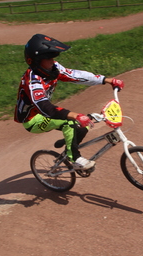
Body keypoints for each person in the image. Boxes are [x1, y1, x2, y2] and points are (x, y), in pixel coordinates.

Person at [14, 34, 124, 170]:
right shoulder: (32, 81)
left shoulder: (52, 69)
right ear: (36, 61)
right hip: (33, 119)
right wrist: (74, 115)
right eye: (48, 58)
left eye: (53, 57)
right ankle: (75, 158)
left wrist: (106, 80)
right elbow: (45, 108)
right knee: (73, 122)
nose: (52, 61)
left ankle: (70, 142)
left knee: (86, 122)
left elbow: (76, 75)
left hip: (44, 112)